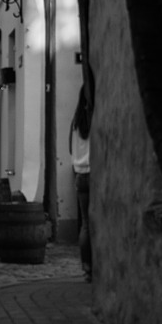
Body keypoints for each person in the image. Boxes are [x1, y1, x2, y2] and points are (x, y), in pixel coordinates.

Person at [70, 86, 92, 280]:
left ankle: (86, 267)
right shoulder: (94, 119)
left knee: (85, 224)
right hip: (94, 174)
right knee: (98, 221)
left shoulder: (75, 123)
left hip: (79, 175)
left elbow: (71, 150)